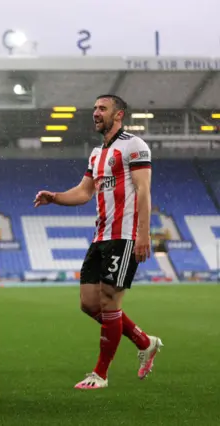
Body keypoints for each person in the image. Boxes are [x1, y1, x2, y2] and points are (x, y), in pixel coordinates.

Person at [34, 94, 163, 390]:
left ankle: (100, 374)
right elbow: (83, 192)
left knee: (109, 300)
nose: (95, 113)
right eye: (94, 108)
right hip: (100, 236)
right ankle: (145, 342)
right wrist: (55, 197)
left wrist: (143, 234)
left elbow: (144, 191)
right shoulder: (96, 153)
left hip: (124, 235)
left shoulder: (134, 146)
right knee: (89, 304)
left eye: (102, 108)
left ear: (119, 115)